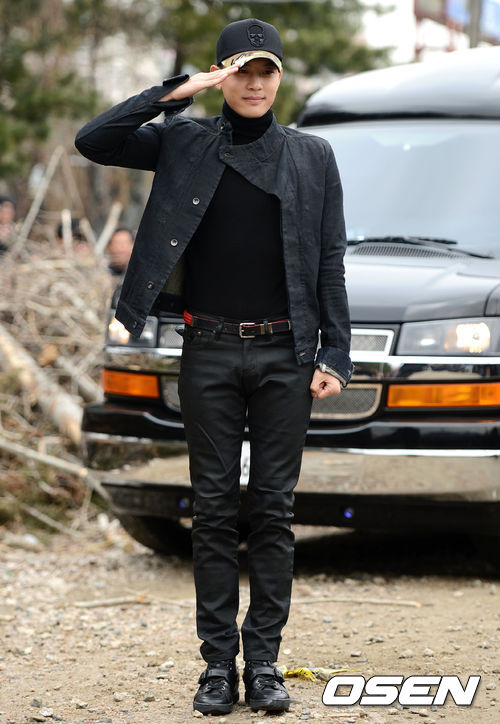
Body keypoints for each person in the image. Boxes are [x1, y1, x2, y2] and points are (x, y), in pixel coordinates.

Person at [75, 17, 353, 716]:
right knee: (214, 509)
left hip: (287, 353)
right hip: (208, 349)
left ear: (280, 78)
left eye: (265, 72)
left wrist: (336, 354)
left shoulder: (313, 155)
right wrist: (179, 90)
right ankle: (217, 668)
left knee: (274, 511)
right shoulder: (183, 141)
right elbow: (94, 140)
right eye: (240, 71)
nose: (254, 84)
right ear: (222, 74)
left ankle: (265, 665)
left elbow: (329, 259)